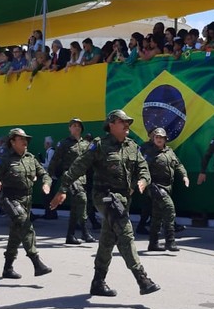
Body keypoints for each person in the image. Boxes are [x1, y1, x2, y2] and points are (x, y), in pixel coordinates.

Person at [48, 110, 159, 297]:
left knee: (108, 239)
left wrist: (142, 181)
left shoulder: (132, 146)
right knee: (124, 230)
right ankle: (142, 279)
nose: (127, 126)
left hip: (124, 198)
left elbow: (143, 169)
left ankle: (98, 282)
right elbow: (78, 166)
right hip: (104, 196)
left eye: (128, 123)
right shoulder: (99, 146)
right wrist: (62, 190)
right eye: (123, 122)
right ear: (111, 124)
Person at [0, 128, 52, 279]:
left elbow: (44, 174)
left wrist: (46, 184)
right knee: (25, 224)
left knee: (16, 232)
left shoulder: (30, 158)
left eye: (26, 139)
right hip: (9, 198)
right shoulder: (5, 159)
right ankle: (37, 263)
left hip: (26, 200)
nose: (25, 141)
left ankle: (7, 268)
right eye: (21, 139)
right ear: (12, 142)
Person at [48, 117, 97, 245]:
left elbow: (92, 161)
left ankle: (70, 235)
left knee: (76, 206)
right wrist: (49, 177)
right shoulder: (63, 143)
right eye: (74, 125)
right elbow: (55, 160)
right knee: (82, 199)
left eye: (78, 126)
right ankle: (85, 232)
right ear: (69, 128)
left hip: (83, 177)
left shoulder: (86, 144)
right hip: (69, 175)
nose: (76, 127)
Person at [142, 127, 189, 252]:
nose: (159, 139)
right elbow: (142, 169)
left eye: (161, 138)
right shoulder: (149, 152)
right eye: (157, 137)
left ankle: (153, 243)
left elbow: (178, 164)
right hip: (155, 187)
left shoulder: (169, 152)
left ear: (165, 139)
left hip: (168, 187)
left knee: (157, 215)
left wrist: (184, 176)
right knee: (169, 209)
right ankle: (170, 241)